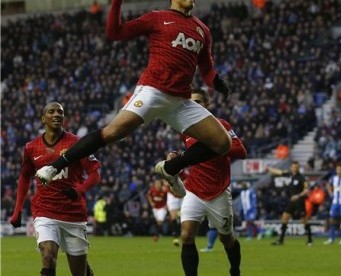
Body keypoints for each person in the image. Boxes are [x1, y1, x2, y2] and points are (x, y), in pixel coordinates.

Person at [35, 0, 233, 199]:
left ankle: (171, 168)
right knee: (113, 132)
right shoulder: (156, 18)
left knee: (223, 143)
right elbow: (115, 32)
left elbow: (207, 69)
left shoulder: (202, 30)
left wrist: (216, 82)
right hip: (153, 91)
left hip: (180, 100)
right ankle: (54, 167)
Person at [9, 102, 101, 276]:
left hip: (73, 214)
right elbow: (24, 177)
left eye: (60, 112)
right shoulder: (31, 147)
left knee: (79, 272)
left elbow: (95, 174)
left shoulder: (77, 143)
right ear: (43, 118)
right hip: (45, 211)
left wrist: (79, 190)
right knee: (48, 256)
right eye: (51, 112)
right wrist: (17, 210)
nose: (57, 114)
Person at [178, 89, 247, 276]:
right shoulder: (186, 129)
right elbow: (191, 157)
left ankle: (235, 270)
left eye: (199, 101)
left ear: (207, 105)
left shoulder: (221, 125)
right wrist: (177, 159)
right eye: (192, 102)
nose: (195, 105)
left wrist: (214, 142)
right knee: (186, 235)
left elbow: (240, 151)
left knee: (227, 239)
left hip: (218, 192)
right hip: (194, 190)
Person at [268, 161, 313, 246]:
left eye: (296, 167)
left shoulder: (301, 178)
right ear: (291, 168)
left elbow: (306, 190)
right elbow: (279, 172)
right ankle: (281, 240)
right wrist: (269, 169)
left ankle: (310, 240)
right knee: (284, 218)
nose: (295, 169)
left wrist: (298, 196)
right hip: (291, 201)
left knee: (304, 221)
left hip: (299, 201)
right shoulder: (289, 174)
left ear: (298, 168)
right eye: (293, 167)